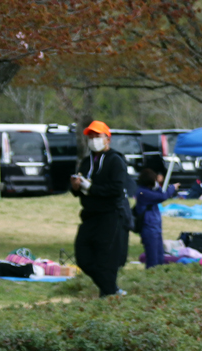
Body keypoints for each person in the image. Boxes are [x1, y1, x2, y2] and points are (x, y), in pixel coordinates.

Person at [70, 121, 131, 297]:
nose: (94, 140)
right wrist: (75, 187)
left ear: (107, 139)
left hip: (110, 215)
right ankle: (112, 290)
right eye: (91, 137)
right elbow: (80, 188)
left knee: (106, 259)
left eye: (98, 136)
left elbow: (116, 190)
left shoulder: (115, 160)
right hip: (90, 215)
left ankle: (108, 294)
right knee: (83, 255)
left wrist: (91, 188)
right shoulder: (86, 161)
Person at [133, 168, 178, 269]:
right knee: (152, 257)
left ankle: (158, 273)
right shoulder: (142, 192)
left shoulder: (148, 190)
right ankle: (151, 274)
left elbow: (160, 193)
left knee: (159, 254)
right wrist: (172, 187)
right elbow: (162, 196)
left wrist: (157, 184)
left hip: (155, 227)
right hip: (148, 227)